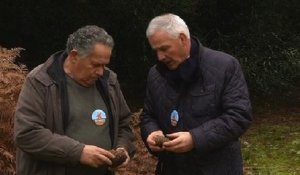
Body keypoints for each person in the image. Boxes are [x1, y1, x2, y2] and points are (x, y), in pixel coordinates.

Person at [14, 25, 135, 175]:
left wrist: (122, 149)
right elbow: (27, 134)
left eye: (104, 65)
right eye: (95, 64)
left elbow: (124, 125)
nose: (101, 72)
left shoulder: (108, 81)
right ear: (74, 56)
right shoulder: (41, 81)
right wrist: (79, 152)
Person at [140, 13, 252, 175]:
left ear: (183, 39)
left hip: (217, 168)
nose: (160, 57)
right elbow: (148, 115)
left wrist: (195, 138)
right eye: (156, 50)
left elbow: (239, 115)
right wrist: (151, 132)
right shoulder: (155, 74)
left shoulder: (225, 66)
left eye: (164, 48)